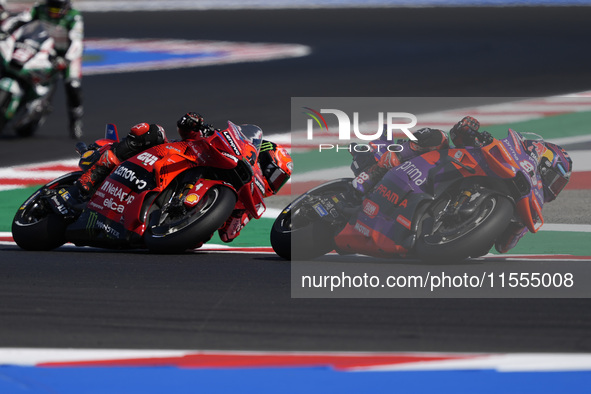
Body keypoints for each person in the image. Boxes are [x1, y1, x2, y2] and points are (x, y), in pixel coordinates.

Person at [350, 116, 572, 254]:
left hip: (445, 247)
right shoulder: (502, 154)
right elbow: (458, 134)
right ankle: (377, 168)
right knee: (439, 137)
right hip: (431, 174)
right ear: (540, 160)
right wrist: (468, 129)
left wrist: (516, 225)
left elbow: (504, 247)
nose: (554, 188)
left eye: (559, 185)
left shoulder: (529, 208)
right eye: (555, 179)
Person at [64, 112, 292, 244]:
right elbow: (186, 131)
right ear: (262, 156)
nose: (273, 181)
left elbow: (227, 235)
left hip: (171, 237)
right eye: (275, 173)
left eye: (280, 180)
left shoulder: (245, 204)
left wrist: (235, 214)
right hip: (160, 160)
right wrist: (194, 124)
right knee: (151, 131)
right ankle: (86, 183)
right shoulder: (220, 147)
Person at [2, 0, 84, 138]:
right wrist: (5, 31)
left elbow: (76, 42)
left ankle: (76, 120)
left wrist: (67, 59)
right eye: (51, 6)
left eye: (57, 8)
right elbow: (20, 19)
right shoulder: (38, 8)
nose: (52, 10)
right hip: (41, 47)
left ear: (65, 7)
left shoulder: (74, 17)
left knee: (72, 84)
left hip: (64, 55)